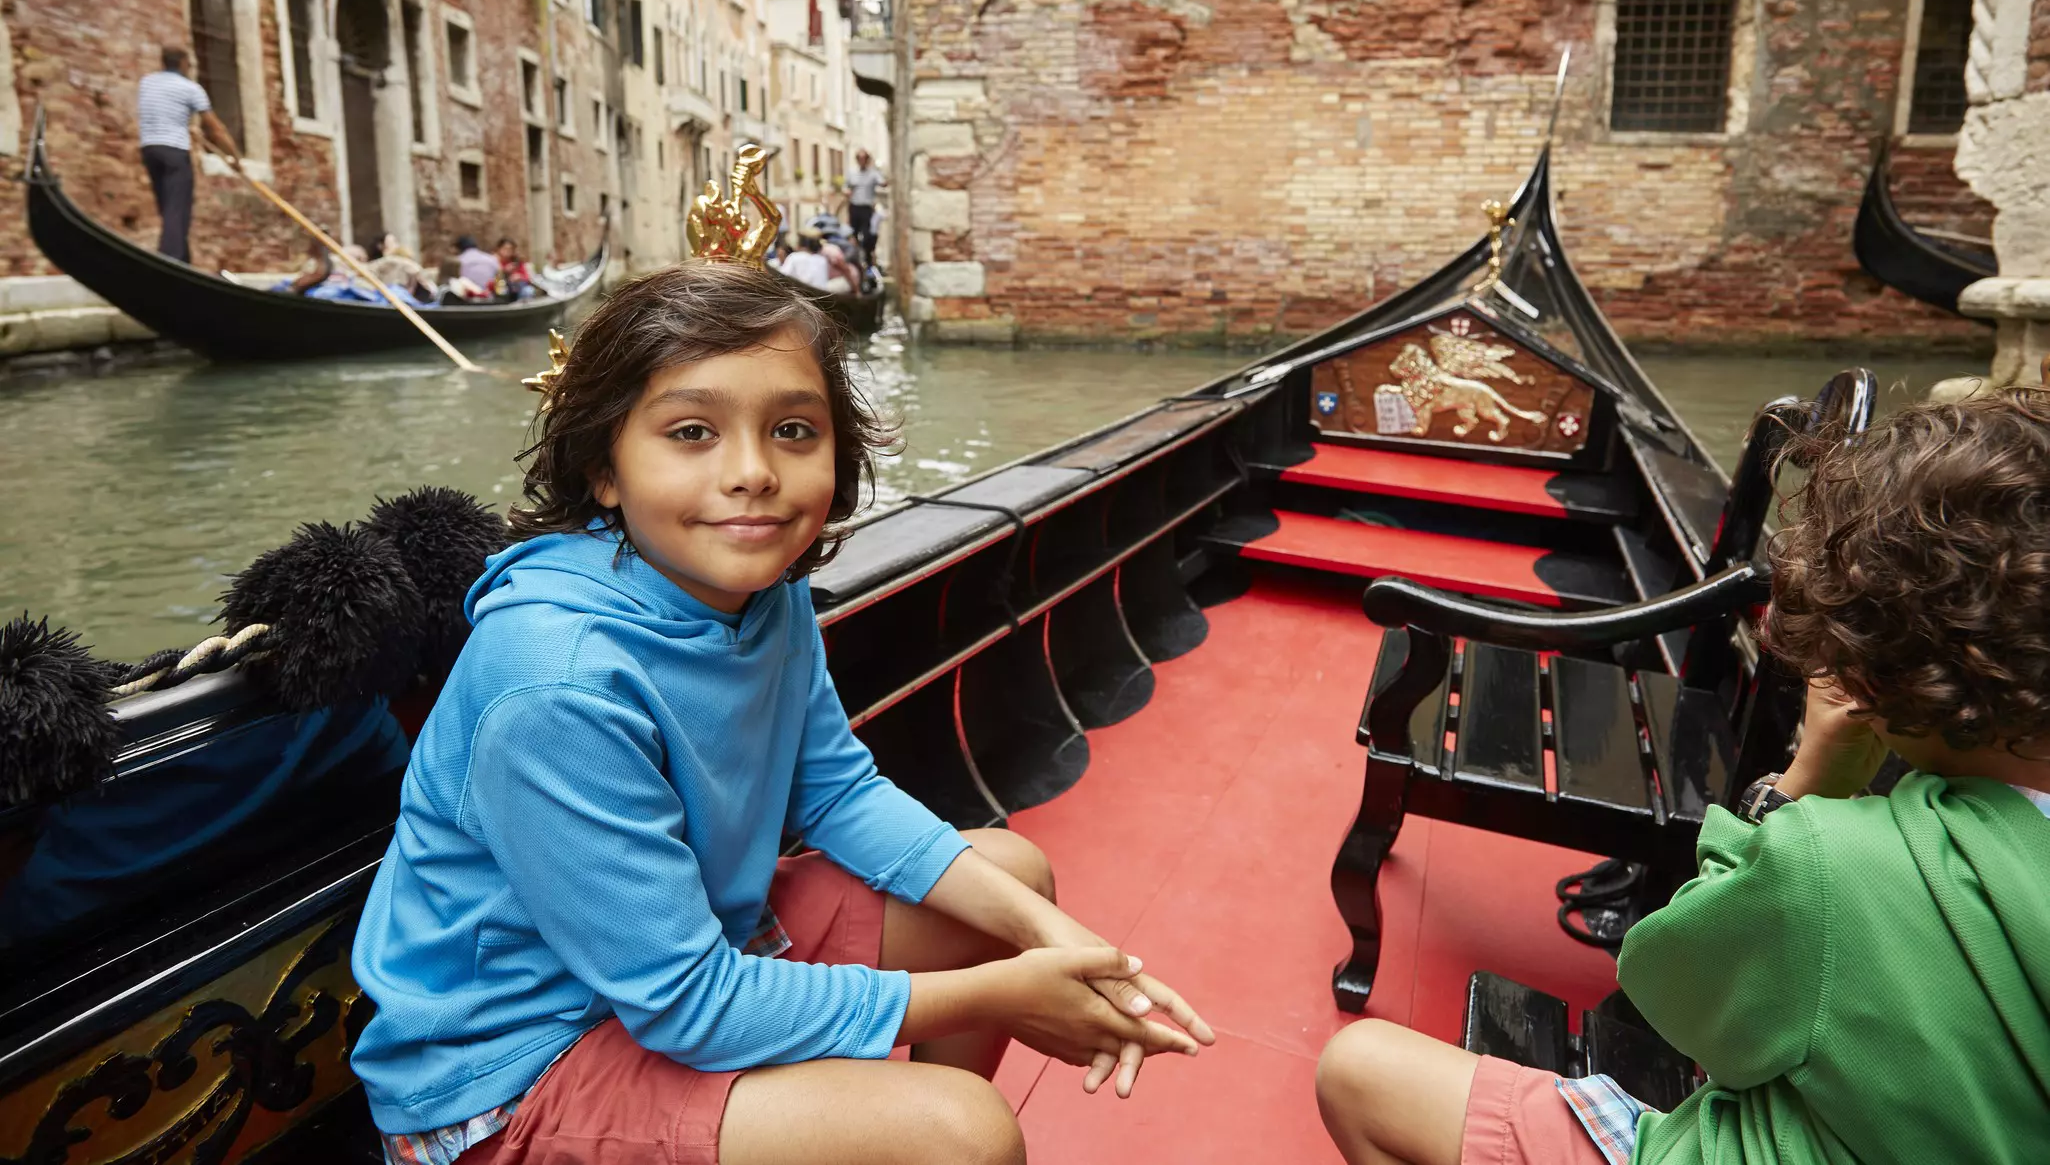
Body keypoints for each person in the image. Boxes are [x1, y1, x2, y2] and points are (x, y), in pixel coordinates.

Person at [349, 264, 1212, 1165]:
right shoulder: (555, 685)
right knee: (965, 1135)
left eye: (793, 430)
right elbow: (689, 1003)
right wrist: (1004, 994)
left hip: (688, 954)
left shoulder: (761, 589)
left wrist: (1052, 942)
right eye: (693, 432)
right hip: (510, 1074)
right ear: (606, 468)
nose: (753, 473)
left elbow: (836, 792)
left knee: (1013, 880)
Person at [1314, 390, 2050, 1165]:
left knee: (1357, 1069)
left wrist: (1803, 785)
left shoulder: (1838, 864)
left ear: (1875, 671)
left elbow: (1667, 993)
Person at [137, 45, 241, 265]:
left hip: (150, 150)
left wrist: (185, 126)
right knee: (177, 210)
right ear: (184, 63)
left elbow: (161, 113)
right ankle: (169, 262)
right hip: (175, 152)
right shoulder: (191, 89)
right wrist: (235, 157)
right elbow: (215, 129)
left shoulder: (146, 83)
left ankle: (184, 262)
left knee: (168, 209)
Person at [842, 149, 885, 268]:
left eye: (864, 159)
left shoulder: (873, 173)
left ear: (867, 160)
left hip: (866, 208)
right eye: (859, 159)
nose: (861, 161)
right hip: (854, 207)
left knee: (868, 235)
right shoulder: (851, 172)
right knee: (852, 234)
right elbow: (845, 186)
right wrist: (846, 191)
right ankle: (854, 260)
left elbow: (883, 182)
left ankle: (868, 259)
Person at [445, 235, 502, 304]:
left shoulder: (458, 260)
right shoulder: (492, 259)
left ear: (459, 248)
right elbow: (500, 276)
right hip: (491, 299)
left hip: (466, 301)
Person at [496, 237, 537, 301]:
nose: (508, 251)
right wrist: (504, 271)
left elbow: (527, 277)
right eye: (505, 248)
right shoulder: (495, 261)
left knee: (529, 290)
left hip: (517, 289)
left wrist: (519, 277)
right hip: (502, 289)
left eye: (510, 249)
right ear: (499, 249)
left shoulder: (517, 261)